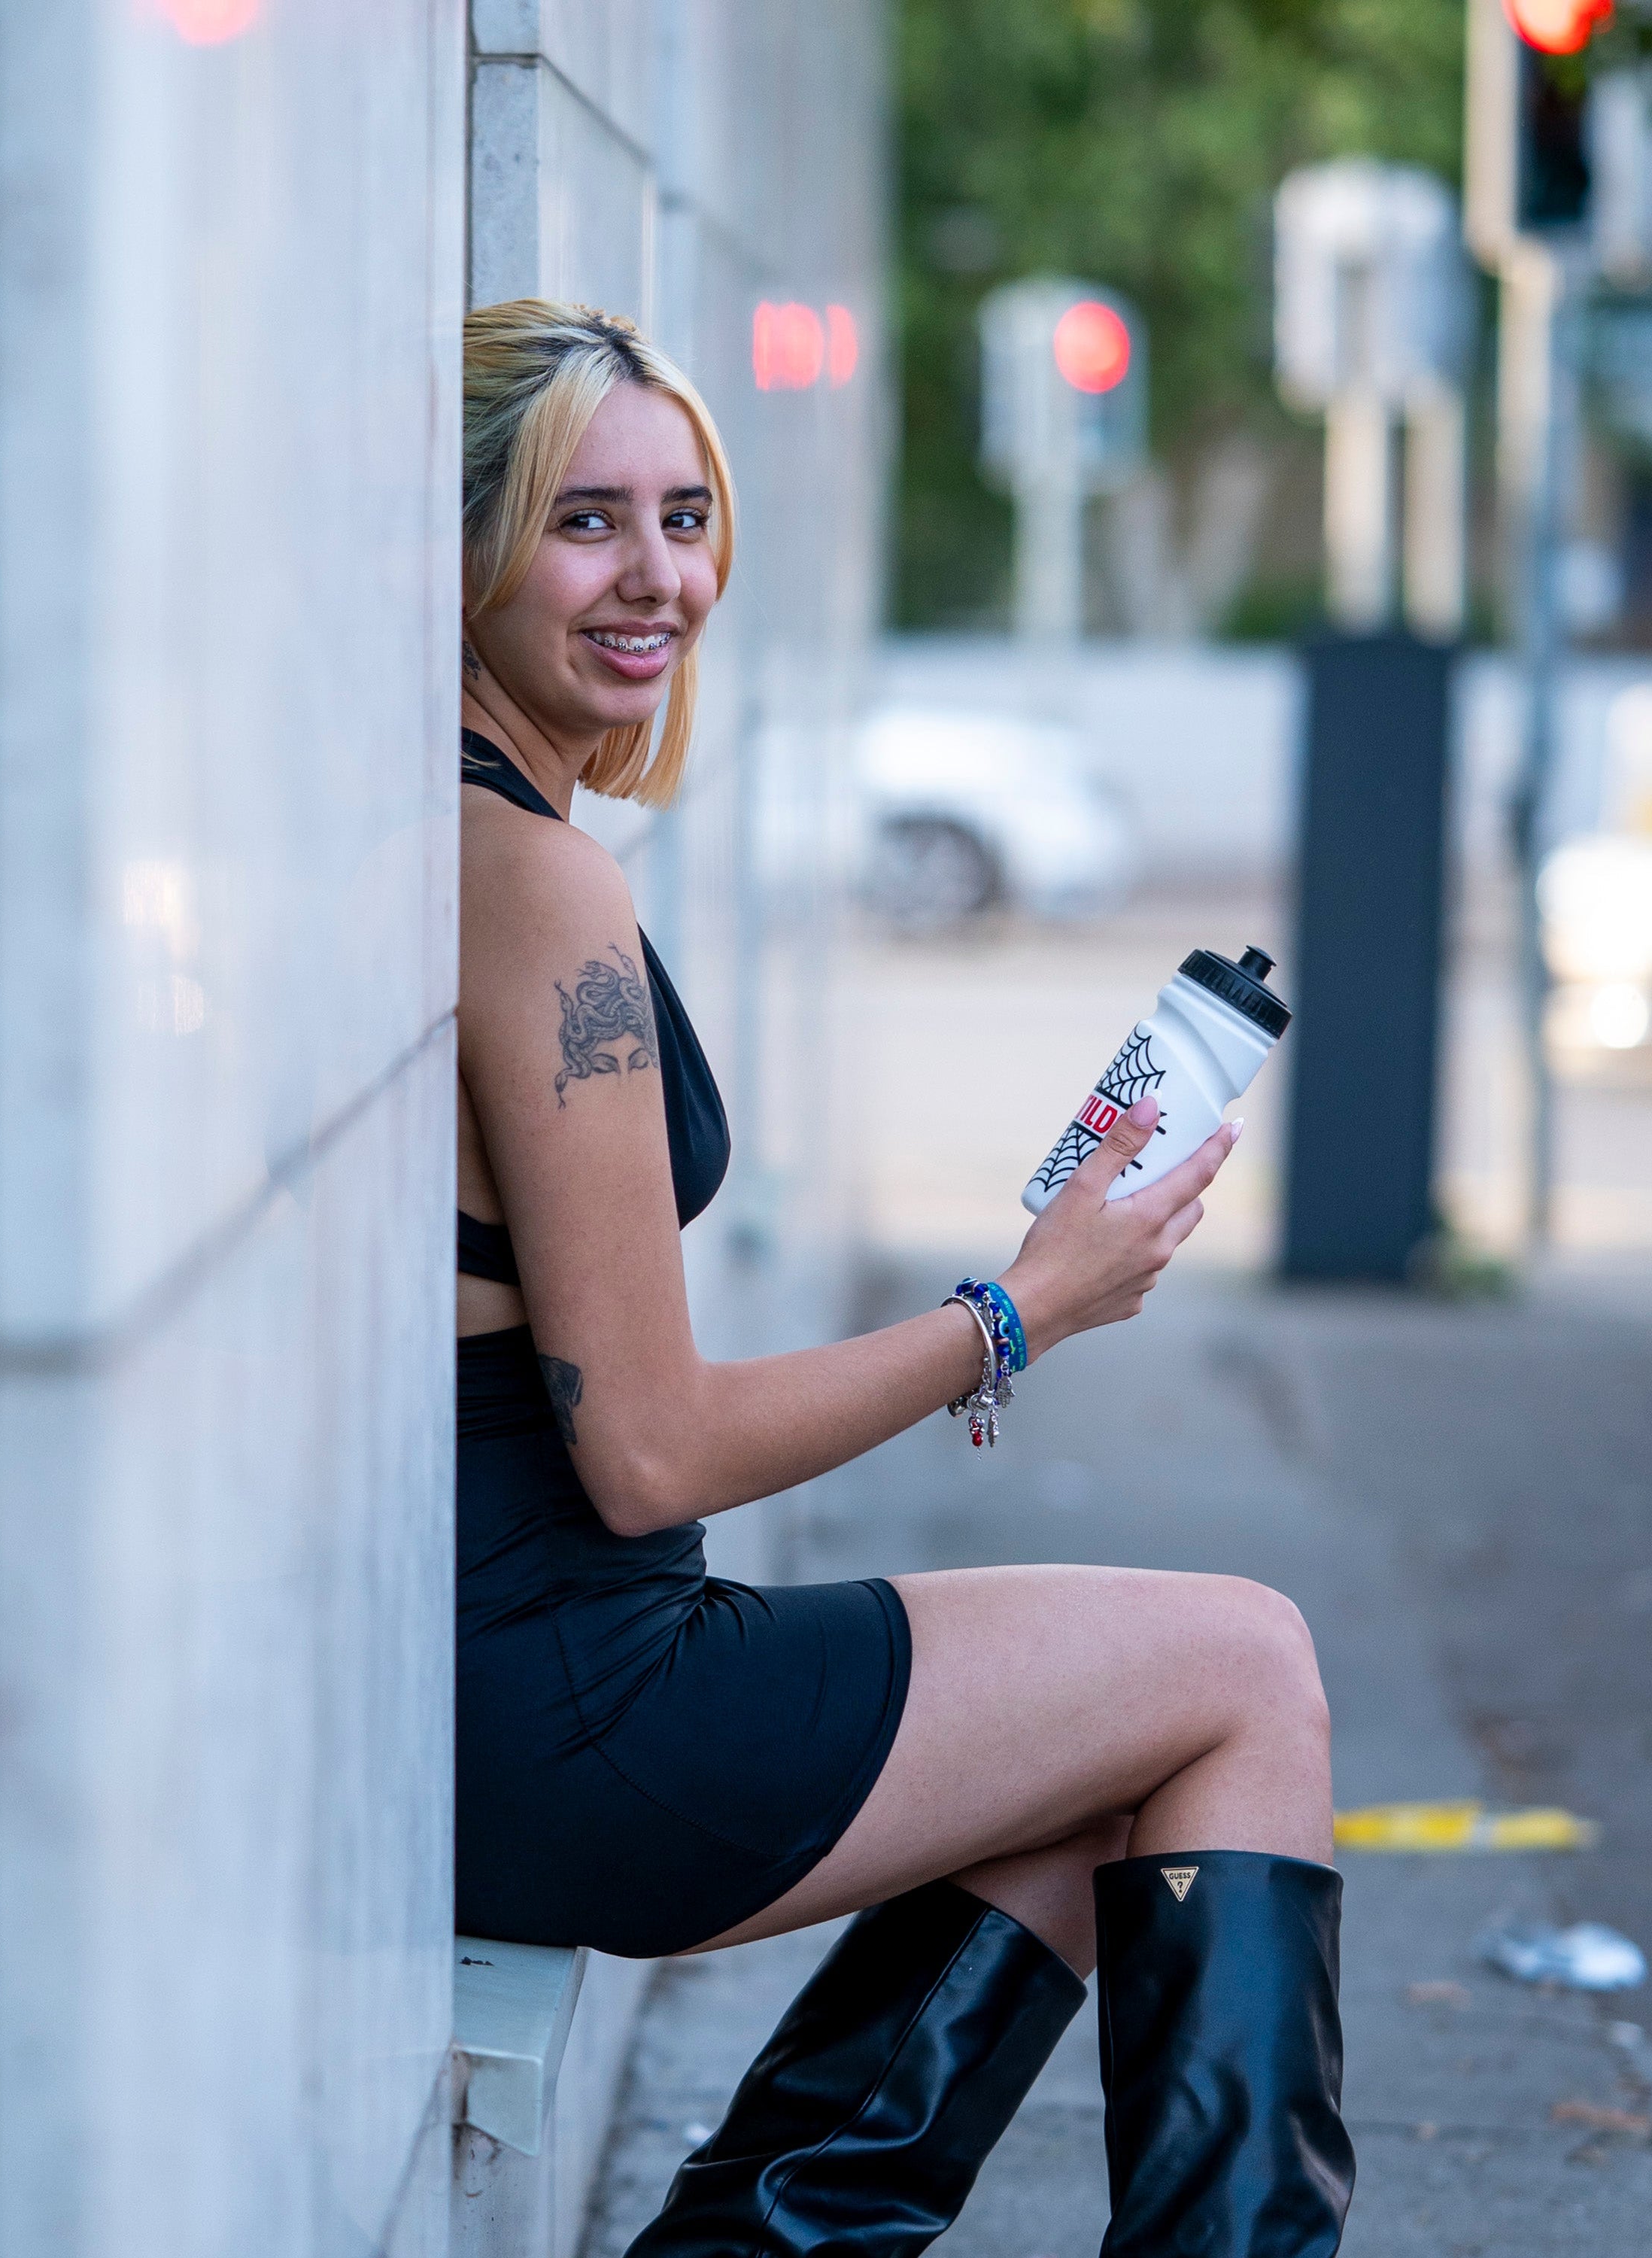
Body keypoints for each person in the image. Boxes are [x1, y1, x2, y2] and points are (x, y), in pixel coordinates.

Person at [452, 299, 1353, 2256]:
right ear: (461, 549)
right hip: (579, 1707)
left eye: (686, 516)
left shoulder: (488, 833)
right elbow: (650, 1451)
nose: (657, 575)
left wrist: (1017, 1292)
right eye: (585, 519)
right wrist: (1016, 1312)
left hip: (531, 1676)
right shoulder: (531, 879)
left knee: (1099, 1760)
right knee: (1244, 1664)